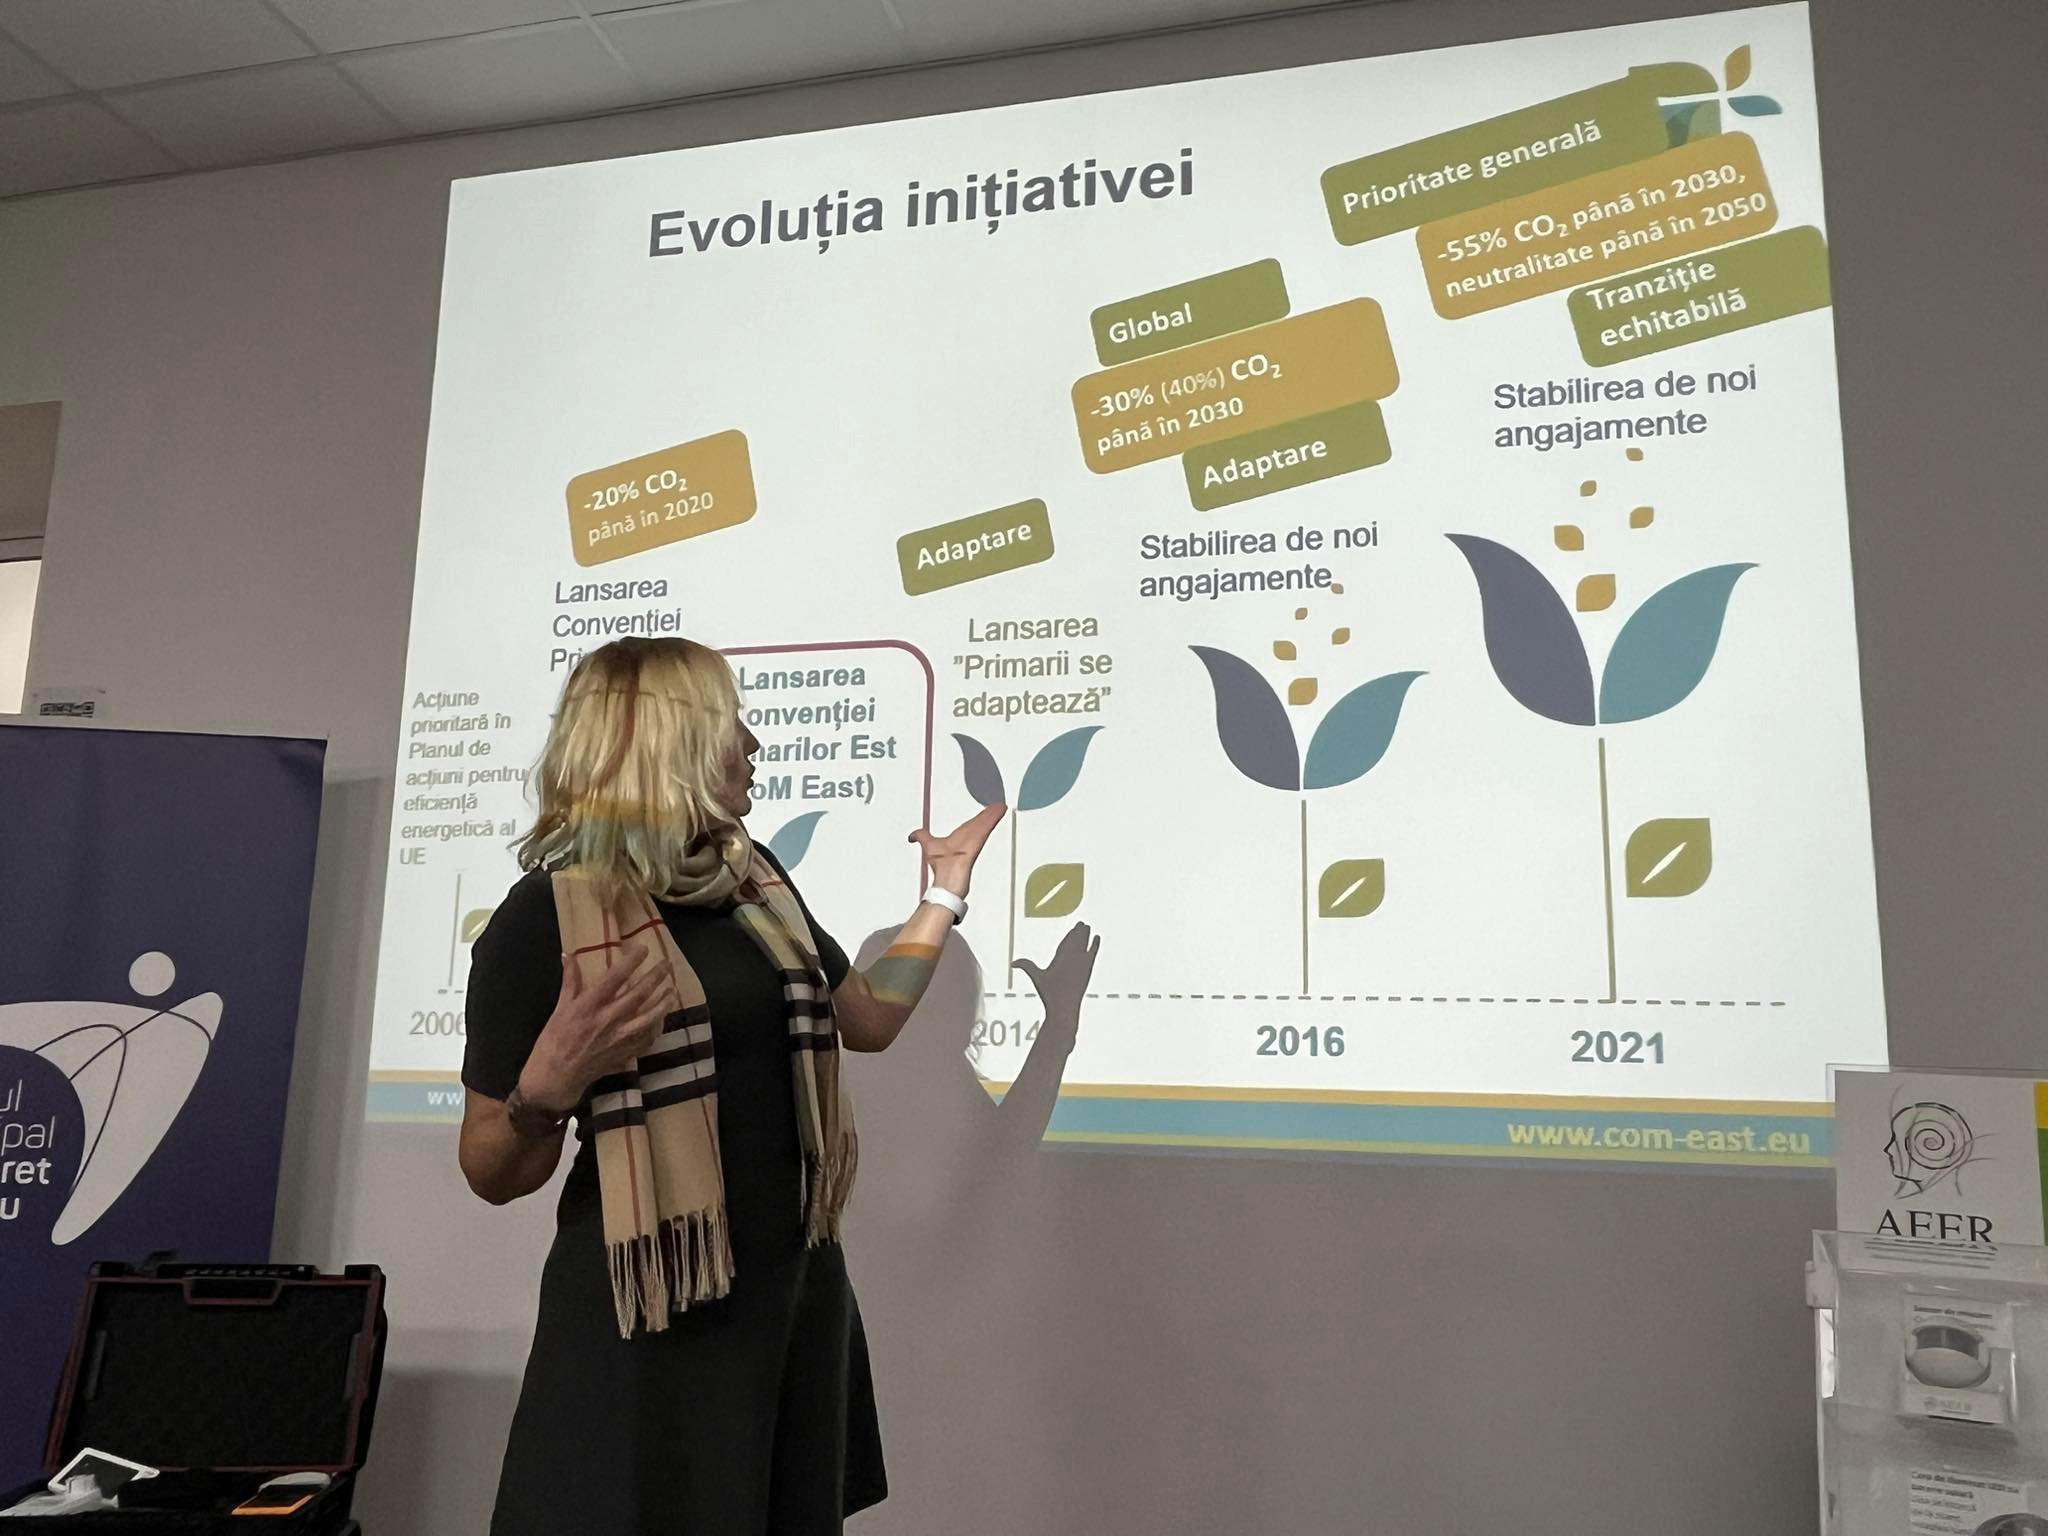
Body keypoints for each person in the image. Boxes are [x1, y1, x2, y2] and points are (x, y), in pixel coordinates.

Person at [456, 635, 1003, 1536]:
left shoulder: (755, 885)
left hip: (790, 1290)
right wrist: (547, 1087)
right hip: (655, 1307)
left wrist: (943, 896)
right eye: (730, 723)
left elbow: (868, 1018)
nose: (752, 743)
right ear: (665, 743)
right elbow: (490, 1168)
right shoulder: (543, 918)